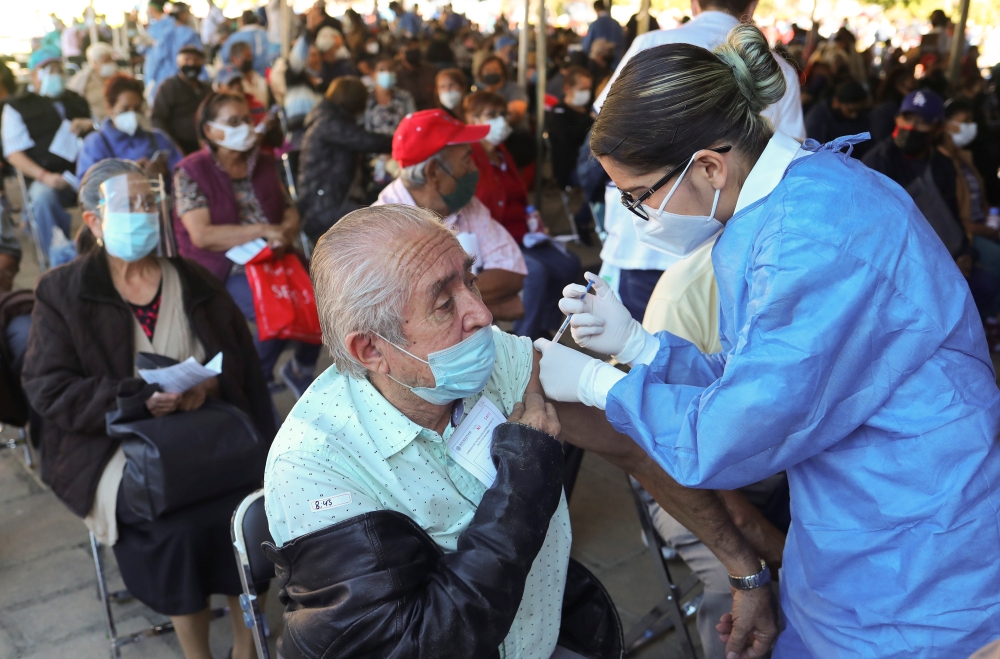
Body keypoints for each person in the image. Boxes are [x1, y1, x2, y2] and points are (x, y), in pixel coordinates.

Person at [534, 24, 1000, 659]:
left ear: (708, 165)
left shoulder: (812, 233)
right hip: (852, 528)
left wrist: (598, 383)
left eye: (640, 198)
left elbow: (735, 433)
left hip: (917, 554)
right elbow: (757, 376)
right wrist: (645, 348)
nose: (641, 219)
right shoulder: (777, 211)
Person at [262, 204, 621, 659]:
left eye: (469, 280)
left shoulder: (498, 359)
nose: (482, 314)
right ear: (371, 348)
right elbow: (419, 647)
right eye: (444, 304)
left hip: (544, 639)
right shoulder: (314, 465)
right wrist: (525, 483)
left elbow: (635, 448)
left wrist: (625, 362)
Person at [21, 158, 276, 659]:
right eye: (128, 205)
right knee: (173, 529)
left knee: (247, 512)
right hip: (115, 444)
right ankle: (196, 652)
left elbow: (242, 367)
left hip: (206, 432)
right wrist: (133, 398)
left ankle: (248, 647)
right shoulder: (62, 292)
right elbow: (48, 388)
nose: (143, 212)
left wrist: (208, 388)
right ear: (93, 220)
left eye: (148, 201)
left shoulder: (194, 281)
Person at [590, 0, 806, 323]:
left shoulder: (649, 43)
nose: (638, 211)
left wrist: (634, 355)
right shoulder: (780, 71)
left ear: (711, 168)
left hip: (652, 260)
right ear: (753, 5)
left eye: (639, 195)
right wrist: (638, 348)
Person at [173, 92, 319, 395]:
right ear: (210, 131)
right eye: (233, 122)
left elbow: (289, 208)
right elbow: (202, 235)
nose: (245, 127)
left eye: (246, 120)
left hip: (275, 256)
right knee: (276, 313)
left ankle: (299, 368)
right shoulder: (191, 171)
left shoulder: (262, 162)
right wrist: (264, 229)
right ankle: (251, 382)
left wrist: (286, 229)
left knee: (322, 301)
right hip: (225, 267)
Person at [374, 110, 527, 322]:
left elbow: (512, 274)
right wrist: (492, 305)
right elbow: (398, 318)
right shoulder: (380, 232)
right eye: (466, 161)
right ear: (434, 173)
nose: (474, 168)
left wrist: (441, 304)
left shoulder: (467, 206)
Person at [463, 91, 581, 340]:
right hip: (493, 240)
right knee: (535, 273)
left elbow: (519, 196)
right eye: (490, 115)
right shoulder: (469, 158)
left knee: (569, 264)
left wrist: (534, 222)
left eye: (502, 115)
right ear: (472, 119)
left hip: (522, 235)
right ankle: (524, 342)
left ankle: (543, 327)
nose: (500, 122)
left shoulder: (503, 153)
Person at [1, 47, 93, 267]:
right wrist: (44, 176)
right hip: (47, 177)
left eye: (59, 70)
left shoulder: (76, 100)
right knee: (42, 199)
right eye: (50, 70)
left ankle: (101, 256)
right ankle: (60, 261)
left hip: (84, 171)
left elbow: (100, 133)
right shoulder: (17, 107)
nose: (56, 75)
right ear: (35, 75)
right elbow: (14, 154)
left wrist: (91, 125)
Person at [298, 76, 393, 241]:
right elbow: (366, 141)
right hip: (325, 206)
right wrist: (401, 139)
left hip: (329, 198)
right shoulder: (328, 122)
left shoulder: (327, 116)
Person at [77, 75, 182, 182]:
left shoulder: (158, 139)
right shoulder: (96, 143)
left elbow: (182, 174)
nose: (132, 114)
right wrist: (128, 174)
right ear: (109, 108)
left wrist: (164, 174)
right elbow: (88, 187)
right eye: (125, 109)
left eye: (136, 109)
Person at [151, 45, 212, 155]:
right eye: (187, 59)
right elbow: (157, 119)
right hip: (180, 147)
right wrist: (172, 146)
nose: (192, 63)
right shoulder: (169, 87)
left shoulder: (206, 88)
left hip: (205, 145)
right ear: (179, 62)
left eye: (196, 60)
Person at [546, 66, 594, 191]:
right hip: (571, 170)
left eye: (588, 89)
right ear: (567, 89)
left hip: (590, 164)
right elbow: (566, 139)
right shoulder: (558, 113)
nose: (586, 93)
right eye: (582, 89)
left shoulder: (588, 110)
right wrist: (590, 120)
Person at [144, 1, 203, 101]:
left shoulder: (165, 34)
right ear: (182, 15)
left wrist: (151, 80)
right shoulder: (190, 34)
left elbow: (157, 59)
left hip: (164, 81)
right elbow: (198, 59)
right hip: (186, 81)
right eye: (187, 13)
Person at [803, 79, 871, 160]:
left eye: (858, 111)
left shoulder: (862, 116)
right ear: (836, 102)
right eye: (850, 110)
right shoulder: (817, 122)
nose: (854, 116)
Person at [67, 42, 119, 122]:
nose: (110, 63)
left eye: (111, 60)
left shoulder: (119, 77)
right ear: (94, 63)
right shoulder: (83, 81)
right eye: (105, 61)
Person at [364, 55, 415, 136]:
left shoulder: (405, 97)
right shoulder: (366, 98)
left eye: (390, 69)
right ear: (373, 74)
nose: (387, 73)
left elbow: (413, 123)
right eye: (381, 70)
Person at [869, 66, 915, 144]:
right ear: (900, 84)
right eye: (911, 80)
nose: (914, 83)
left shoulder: (903, 104)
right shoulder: (888, 109)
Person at [219, 10, 273, 77]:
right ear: (256, 21)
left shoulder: (235, 37)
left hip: (247, 78)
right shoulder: (267, 34)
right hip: (268, 75)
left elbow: (224, 57)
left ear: (242, 22)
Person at [396, 38, 438, 110]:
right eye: (409, 48)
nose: (413, 50)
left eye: (415, 47)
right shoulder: (397, 75)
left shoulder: (431, 70)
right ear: (400, 54)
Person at [226, 40, 270, 108]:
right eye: (246, 57)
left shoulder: (260, 79)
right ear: (233, 59)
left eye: (250, 56)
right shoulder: (230, 83)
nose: (249, 60)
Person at [581, 0, 625, 67]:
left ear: (596, 9)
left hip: (599, 64)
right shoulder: (616, 24)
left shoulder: (594, 25)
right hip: (616, 62)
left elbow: (586, 46)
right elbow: (623, 44)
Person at [315, 27, 356, 92]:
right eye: (337, 47)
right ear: (327, 50)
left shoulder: (344, 62)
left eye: (342, 45)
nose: (342, 50)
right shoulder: (320, 71)